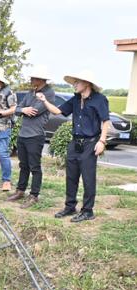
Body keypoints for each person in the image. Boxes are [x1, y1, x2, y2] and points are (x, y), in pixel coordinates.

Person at [36, 70, 110, 222]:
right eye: (74, 82)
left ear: (87, 83)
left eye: (77, 82)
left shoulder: (100, 99)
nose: (74, 85)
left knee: (88, 179)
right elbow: (57, 111)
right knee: (71, 177)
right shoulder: (75, 99)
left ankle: (88, 211)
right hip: (74, 143)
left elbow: (105, 121)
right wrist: (44, 100)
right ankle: (70, 207)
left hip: (90, 143)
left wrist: (102, 141)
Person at [7, 66, 56, 207]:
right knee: (23, 165)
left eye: (33, 78)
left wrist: (24, 109)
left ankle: (34, 195)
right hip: (23, 134)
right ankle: (20, 190)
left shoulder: (49, 93)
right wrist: (23, 109)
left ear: (41, 79)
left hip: (35, 135)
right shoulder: (31, 92)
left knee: (34, 166)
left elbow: (35, 111)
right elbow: (17, 109)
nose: (30, 80)